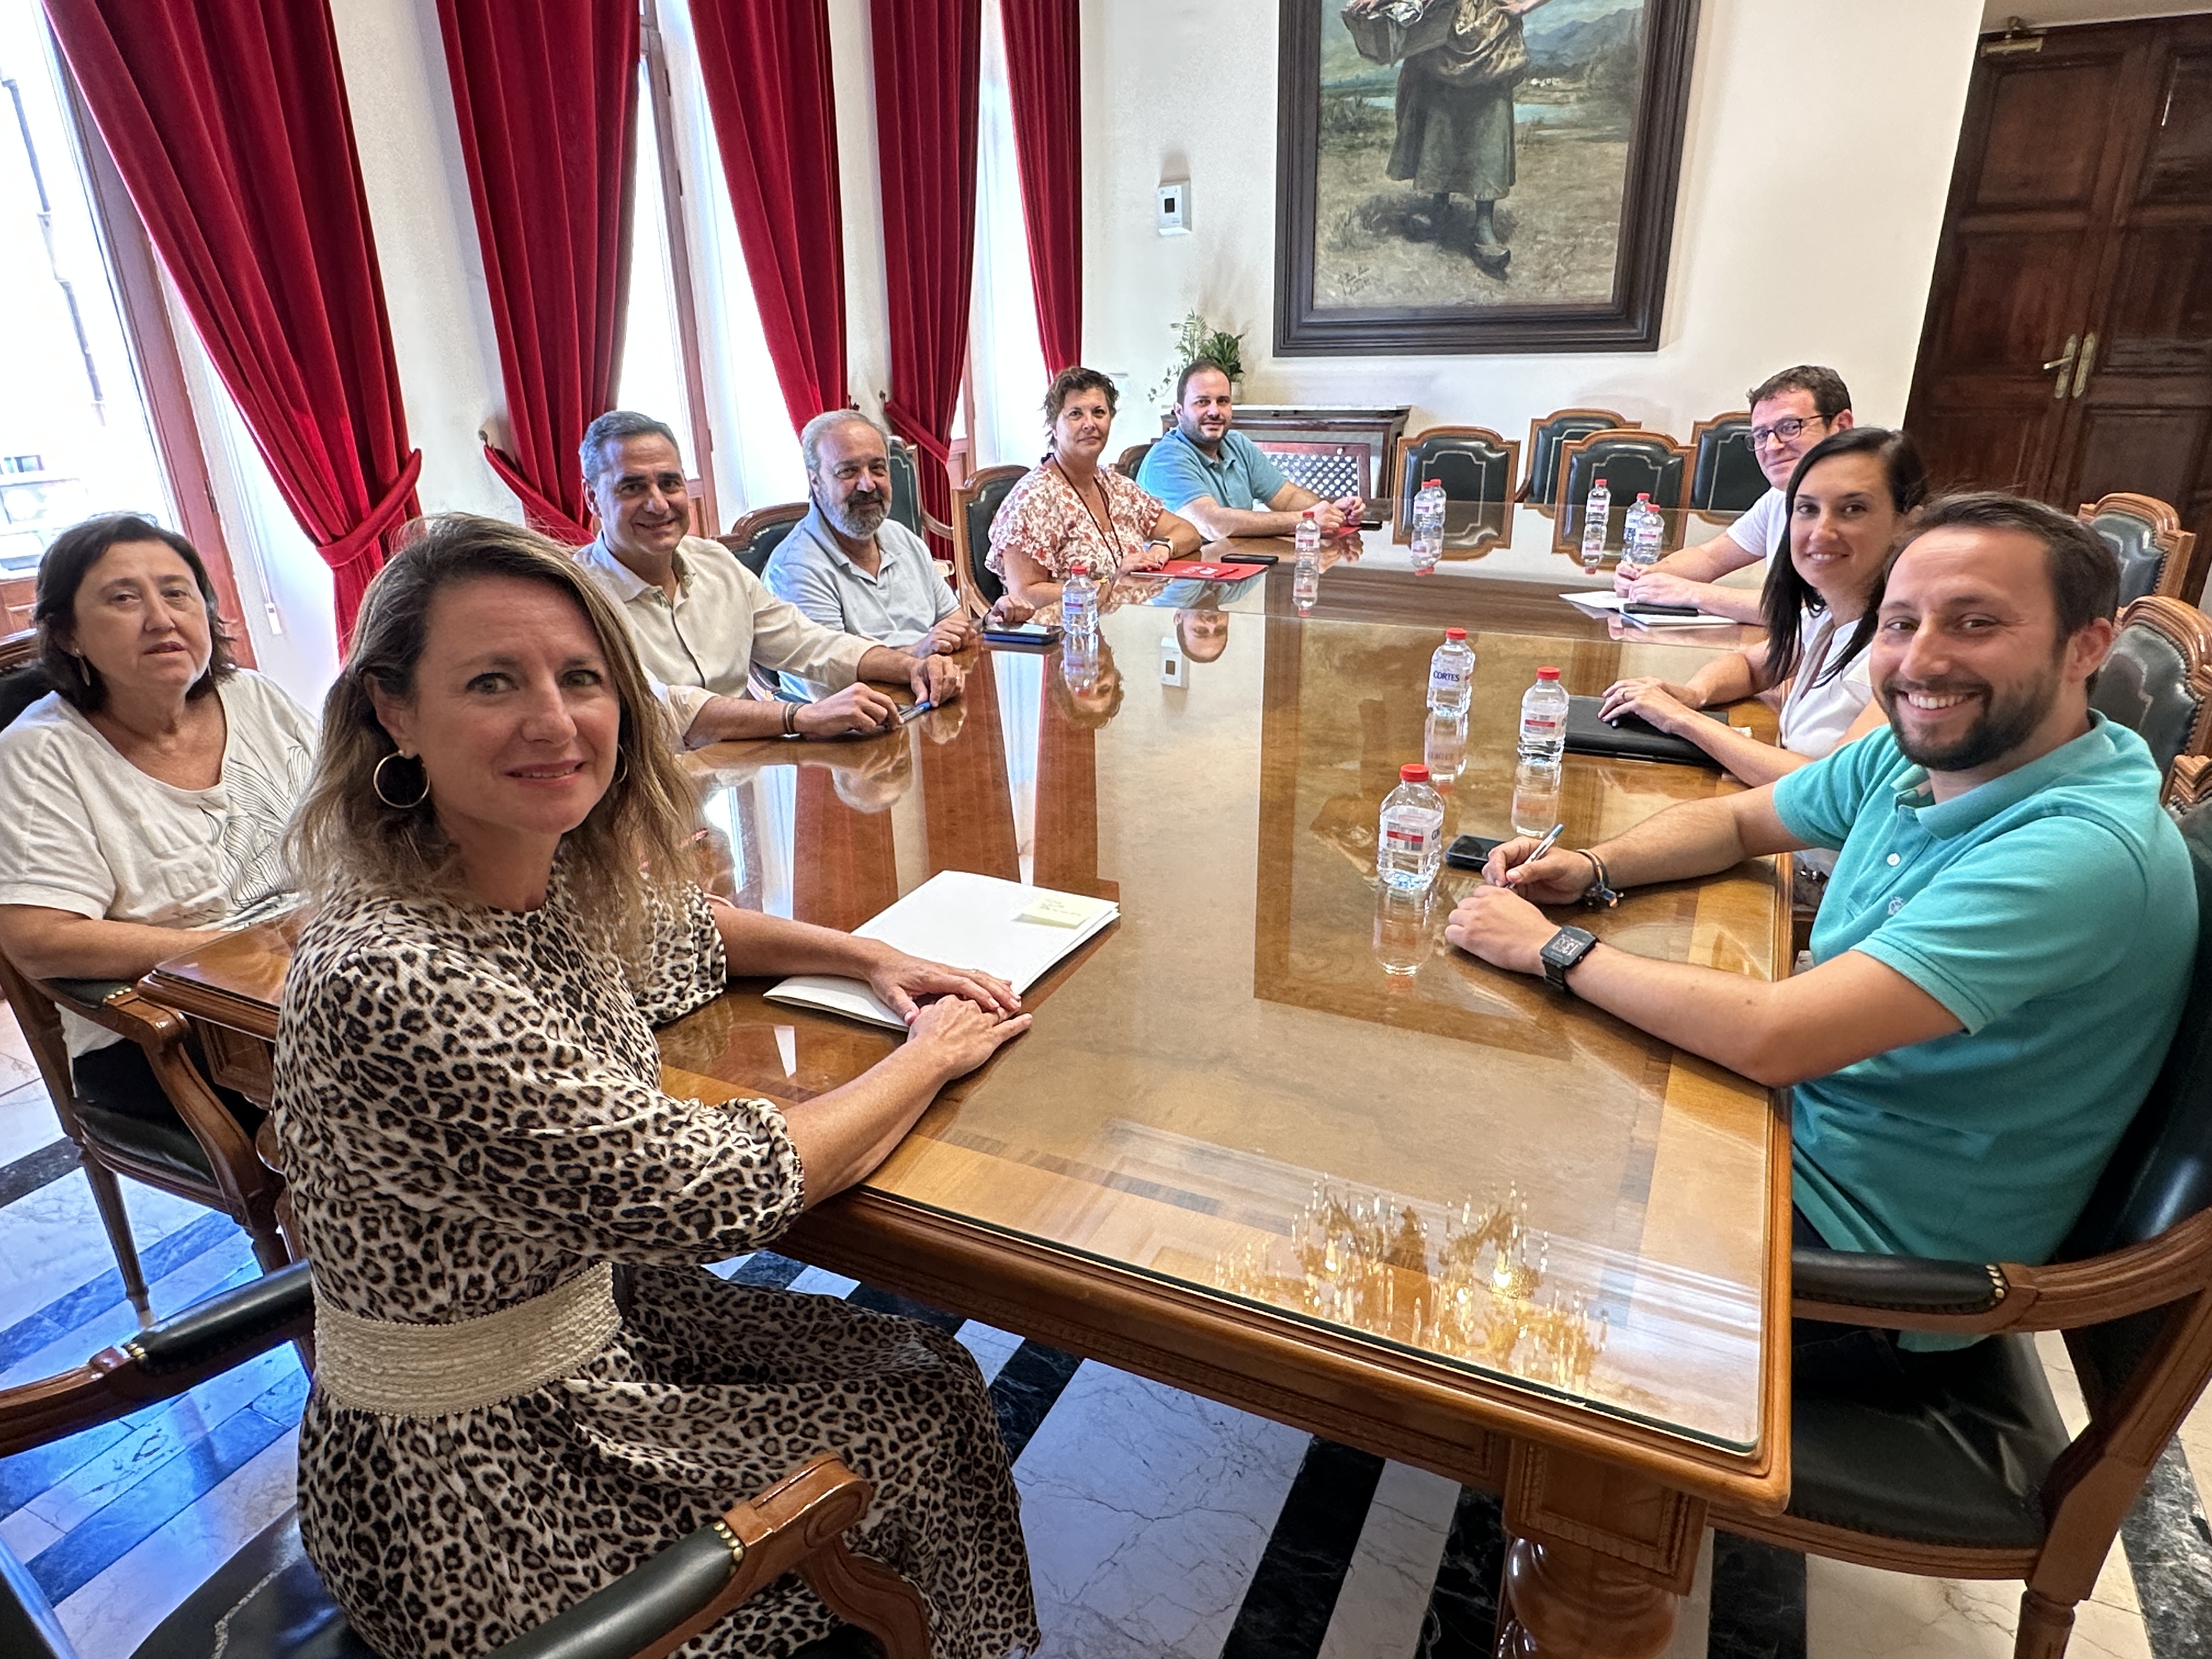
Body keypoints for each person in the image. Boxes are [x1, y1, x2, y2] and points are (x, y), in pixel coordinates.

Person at [275, 515, 1038, 1659]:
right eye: (493, 682)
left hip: (589, 1326)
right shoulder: (398, 971)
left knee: (921, 1363)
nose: (554, 719)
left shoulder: (530, 873)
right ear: (394, 710)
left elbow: (688, 935)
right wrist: (927, 1054)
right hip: (476, 1479)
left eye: (581, 677)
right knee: (920, 1416)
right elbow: (716, 1192)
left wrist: (873, 958)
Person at [1447, 495, 2197, 1387]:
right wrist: (1591, 865)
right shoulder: (1930, 745)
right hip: (1797, 1140)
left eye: (1976, 622)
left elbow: (1777, 1034)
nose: (1920, 658)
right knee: (1497, 1104)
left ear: (2086, 645)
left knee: (1470, 1253)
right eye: (1900, 621)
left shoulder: (2074, 852)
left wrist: (1552, 949)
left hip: (1871, 1272)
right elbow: (1735, 822)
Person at [0, 514, 315, 1125]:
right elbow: (38, 939)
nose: (161, 618)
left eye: (177, 593)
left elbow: (350, 819)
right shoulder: (40, 755)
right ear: (68, 634)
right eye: (123, 598)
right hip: (162, 1023)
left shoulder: (255, 698)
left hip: (309, 968)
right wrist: (218, 951)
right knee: (392, 1076)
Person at [574, 410, 962, 744]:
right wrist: (797, 717)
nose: (659, 504)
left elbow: (809, 642)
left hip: (746, 763)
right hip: (652, 787)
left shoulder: (714, 562)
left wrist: (911, 666)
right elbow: (662, 708)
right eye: (632, 487)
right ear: (592, 497)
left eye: (670, 483)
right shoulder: (578, 598)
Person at [1595, 428, 1925, 788]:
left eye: (1853, 509)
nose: (1820, 531)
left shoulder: (1910, 655)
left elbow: (1828, 792)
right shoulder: (1830, 617)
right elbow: (1752, 667)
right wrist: (1694, 694)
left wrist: (1682, 719)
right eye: (1807, 509)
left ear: (1909, 522)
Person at [764, 410, 984, 700]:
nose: (867, 485)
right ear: (815, 480)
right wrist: (916, 654)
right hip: (846, 725)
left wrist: (967, 630)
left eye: (878, 469)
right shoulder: (796, 567)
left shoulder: (902, 537)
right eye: (848, 471)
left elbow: (954, 619)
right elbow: (829, 679)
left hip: (925, 696)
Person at [1616, 366, 1857, 624]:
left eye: (1789, 427)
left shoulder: (1862, 507)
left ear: (1840, 427)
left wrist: (1691, 593)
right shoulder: (1779, 497)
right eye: (1762, 435)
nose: (1772, 446)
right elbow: (1710, 557)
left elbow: (1815, 609)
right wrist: (1646, 577)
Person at [1351, 0, 1551, 275]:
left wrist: (1525, 5)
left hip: (1490, 31)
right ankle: (1438, 207)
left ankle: (1484, 225)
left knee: (1488, 125)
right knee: (1438, 121)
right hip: (1439, 26)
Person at [988, 366, 1204, 612]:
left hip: (1123, 626)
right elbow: (1025, 593)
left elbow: (1187, 532)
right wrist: (1107, 584)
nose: (1090, 424)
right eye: (1076, 414)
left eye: (1099, 413)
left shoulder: (1116, 486)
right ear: (1053, 425)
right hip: (1065, 637)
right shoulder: (1032, 499)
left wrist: (1161, 548)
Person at [1137, 360, 1364, 540]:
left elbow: (1287, 497)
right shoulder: (1166, 459)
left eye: (1223, 401)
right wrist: (1307, 519)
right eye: (1203, 402)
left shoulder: (1237, 443)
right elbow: (1213, 525)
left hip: (1229, 571)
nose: (1215, 412)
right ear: (1179, 411)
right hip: (1179, 586)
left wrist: (1332, 513)